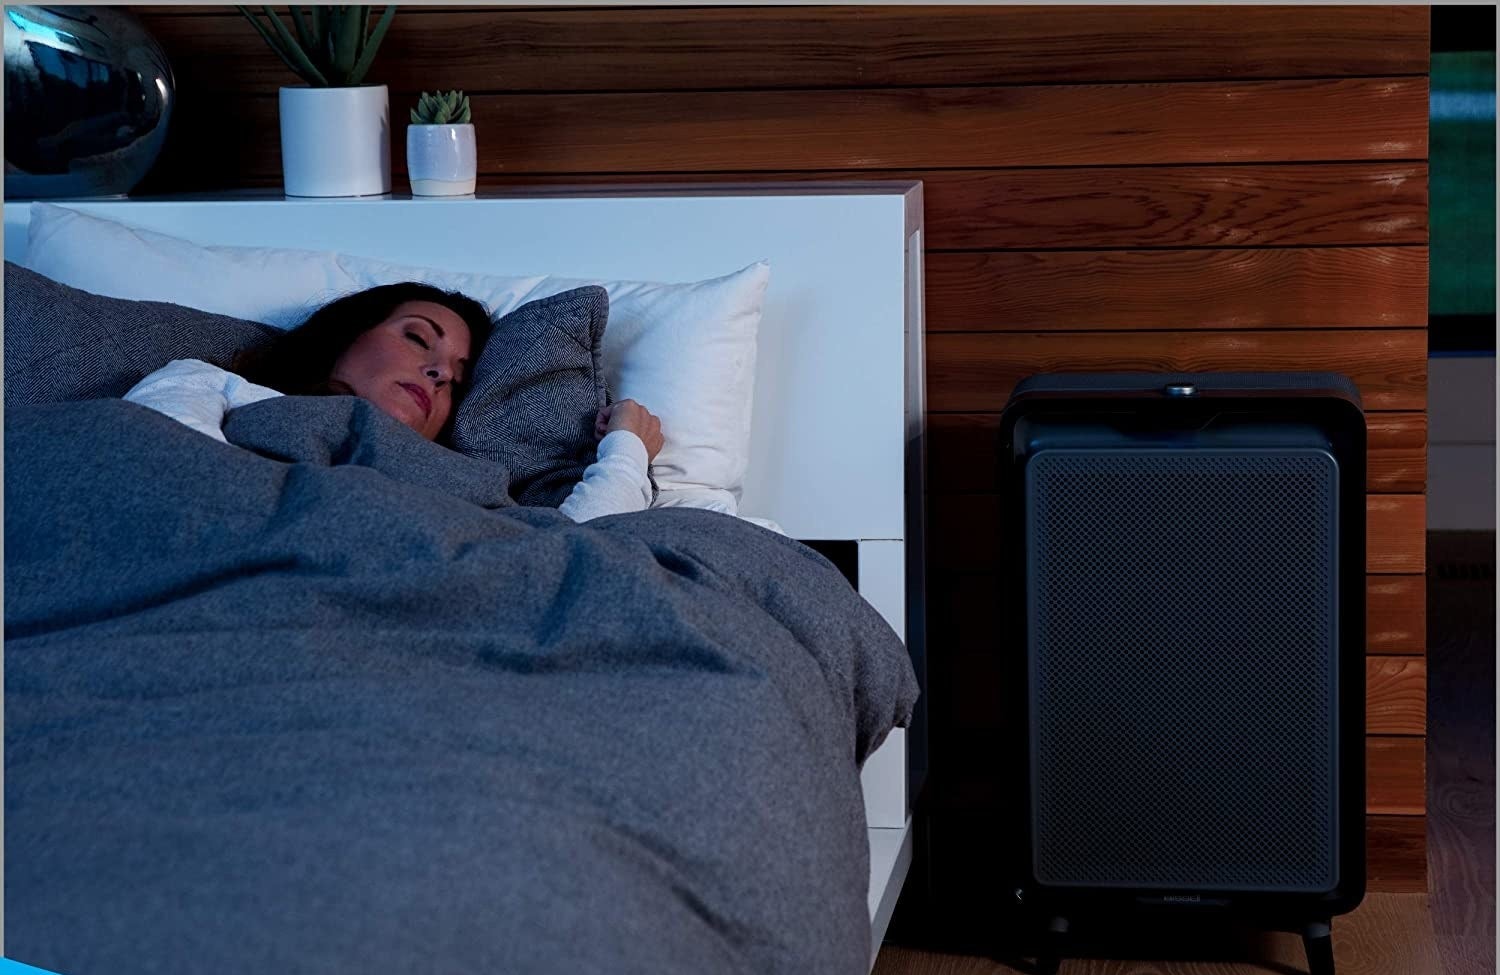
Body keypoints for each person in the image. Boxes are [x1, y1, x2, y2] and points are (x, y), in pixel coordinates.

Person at [123, 282, 664, 522]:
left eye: (457, 378)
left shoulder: (456, 483)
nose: (437, 373)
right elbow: (156, 466)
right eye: (416, 338)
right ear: (346, 335)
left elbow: (573, 554)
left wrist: (625, 449)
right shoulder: (212, 386)